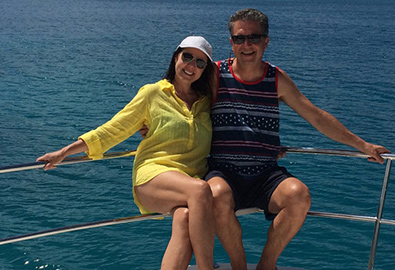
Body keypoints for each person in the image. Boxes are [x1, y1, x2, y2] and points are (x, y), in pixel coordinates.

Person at [205, 8, 391, 270]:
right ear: (231, 42)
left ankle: (266, 265)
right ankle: (239, 266)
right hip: (224, 172)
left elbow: (316, 116)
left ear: (266, 41)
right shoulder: (215, 75)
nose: (246, 45)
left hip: (265, 175)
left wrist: (363, 145)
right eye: (239, 38)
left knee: (299, 196)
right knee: (215, 195)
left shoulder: (276, 79)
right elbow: (178, 98)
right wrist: (150, 123)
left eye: (254, 38)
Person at [37, 36, 217, 270]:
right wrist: (64, 152)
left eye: (200, 63)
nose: (191, 66)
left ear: (205, 71)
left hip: (189, 182)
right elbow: (114, 129)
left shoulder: (206, 103)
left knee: (183, 218)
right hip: (154, 176)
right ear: (176, 57)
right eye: (187, 57)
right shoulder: (153, 93)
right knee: (201, 190)